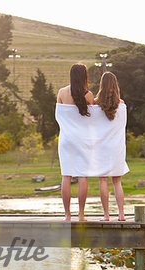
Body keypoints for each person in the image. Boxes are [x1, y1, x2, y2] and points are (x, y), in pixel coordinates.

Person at [57, 63, 94, 221]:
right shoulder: (88, 95)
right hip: (82, 139)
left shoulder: (62, 92)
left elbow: (58, 116)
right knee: (82, 176)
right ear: (84, 76)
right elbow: (93, 120)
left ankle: (67, 215)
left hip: (66, 139)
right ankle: (81, 214)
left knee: (66, 176)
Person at [94, 72, 126, 221]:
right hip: (117, 147)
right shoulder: (122, 105)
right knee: (117, 181)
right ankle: (121, 214)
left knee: (103, 181)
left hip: (101, 148)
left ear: (102, 85)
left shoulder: (95, 104)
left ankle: (106, 215)